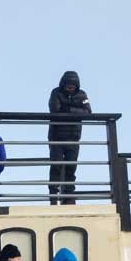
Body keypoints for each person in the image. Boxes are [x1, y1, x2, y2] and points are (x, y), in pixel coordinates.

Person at [46, 71, 92, 205]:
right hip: (57, 137)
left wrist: (69, 109)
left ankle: (69, 197)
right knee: (56, 167)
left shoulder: (82, 94)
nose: (70, 88)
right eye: (68, 86)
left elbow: (88, 112)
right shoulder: (56, 93)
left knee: (71, 168)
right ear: (63, 84)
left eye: (72, 86)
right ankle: (53, 197)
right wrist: (76, 110)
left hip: (73, 137)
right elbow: (55, 110)